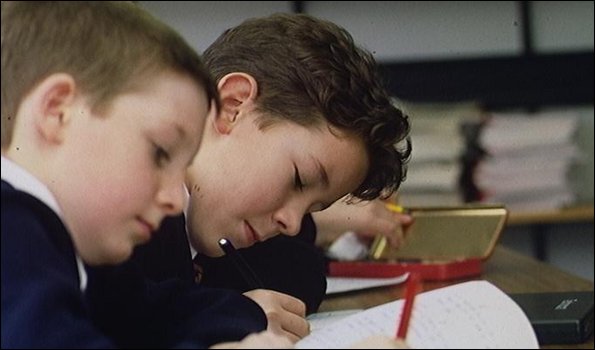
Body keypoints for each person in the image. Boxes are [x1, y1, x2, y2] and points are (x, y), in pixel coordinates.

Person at [1, 2, 292, 348]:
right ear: (58, 111)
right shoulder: (12, 228)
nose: (173, 200)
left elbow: (155, 313)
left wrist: (249, 315)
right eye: (160, 152)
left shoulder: (72, 251)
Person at [124, 11, 412, 342]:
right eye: (299, 179)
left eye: (312, 209)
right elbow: (122, 319)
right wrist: (230, 317)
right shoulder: (120, 203)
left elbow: (300, 277)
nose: (291, 223)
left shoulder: (216, 227)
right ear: (231, 106)